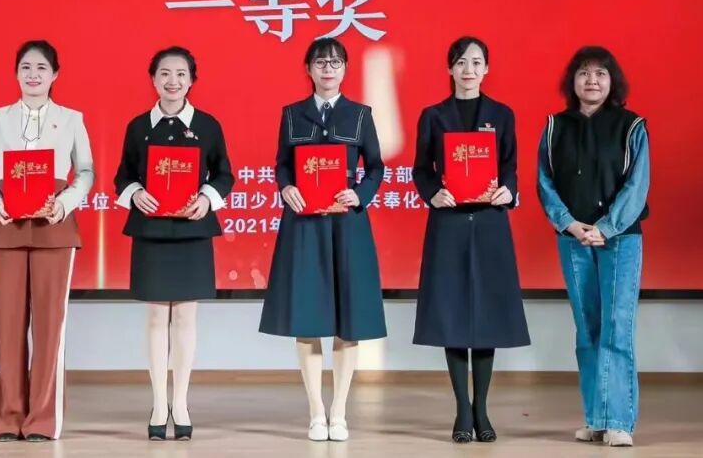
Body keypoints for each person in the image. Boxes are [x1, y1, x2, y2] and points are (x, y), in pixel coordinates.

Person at [259, 36, 386, 443]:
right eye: (320, 62)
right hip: (304, 223)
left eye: (335, 62)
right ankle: (316, 411)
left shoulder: (360, 115)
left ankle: (339, 412)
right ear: (308, 69)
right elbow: (282, 164)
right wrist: (285, 187)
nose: (328, 69)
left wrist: (360, 194)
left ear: (345, 69)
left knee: (349, 318)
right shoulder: (292, 114)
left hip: (347, 222)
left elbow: (376, 167)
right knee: (307, 315)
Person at [0, 40, 94, 442]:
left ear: (55, 74)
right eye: (26, 67)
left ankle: (42, 420)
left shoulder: (71, 119)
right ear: (16, 73)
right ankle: (7, 418)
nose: (33, 74)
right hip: (5, 227)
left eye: (41, 67)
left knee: (49, 327)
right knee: (7, 326)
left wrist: (64, 203)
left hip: (54, 227)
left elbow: (86, 172)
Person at [412, 36, 530, 443]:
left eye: (477, 62)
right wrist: (433, 193)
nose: (469, 70)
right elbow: (421, 169)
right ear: (450, 68)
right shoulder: (433, 115)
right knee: (453, 315)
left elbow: (510, 166)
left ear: (487, 69)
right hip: (448, 223)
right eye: (461, 62)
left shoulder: (502, 114)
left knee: (486, 317)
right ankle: (462, 409)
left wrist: (508, 190)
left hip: (489, 222)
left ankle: (482, 409)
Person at [114, 46, 235, 440]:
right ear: (153, 79)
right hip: (151, 230)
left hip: (192, 231)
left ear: (192, 80)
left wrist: (206, 199)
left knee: (185, 318)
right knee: (155, 318)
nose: (173, 81)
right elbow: (123, 175)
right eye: (165, 73)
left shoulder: (208, 125)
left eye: (181, 74)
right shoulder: (138, 126)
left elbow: (224, 175)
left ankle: (180, 402)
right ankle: (158, 402)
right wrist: (135, 193)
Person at [537, 46, 650, 448]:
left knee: (617, 328)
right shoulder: (555, 127)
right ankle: (595, 419)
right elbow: (545, 182)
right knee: (587, 329)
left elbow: (637, 185)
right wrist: (568, 223)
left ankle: (619, 421)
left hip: (620, 239)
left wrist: (606, 227)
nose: (592, 80)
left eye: (600, 73)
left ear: (612, 81)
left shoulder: (631, 126)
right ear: (572, 81)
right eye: (584, 73)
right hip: (573, 239)